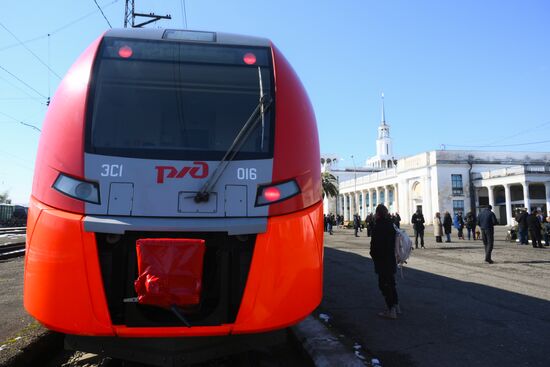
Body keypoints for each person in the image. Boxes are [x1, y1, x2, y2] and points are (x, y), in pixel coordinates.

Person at [369, 204, 399, 319]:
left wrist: (373, 255)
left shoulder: (378, 226)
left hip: (382, 260)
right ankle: (396, 306)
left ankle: (391, 310)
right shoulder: (391, 225)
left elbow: (375, 245)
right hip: (391, 259)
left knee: (384, 285)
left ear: (378, 214)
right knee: (391, 283)